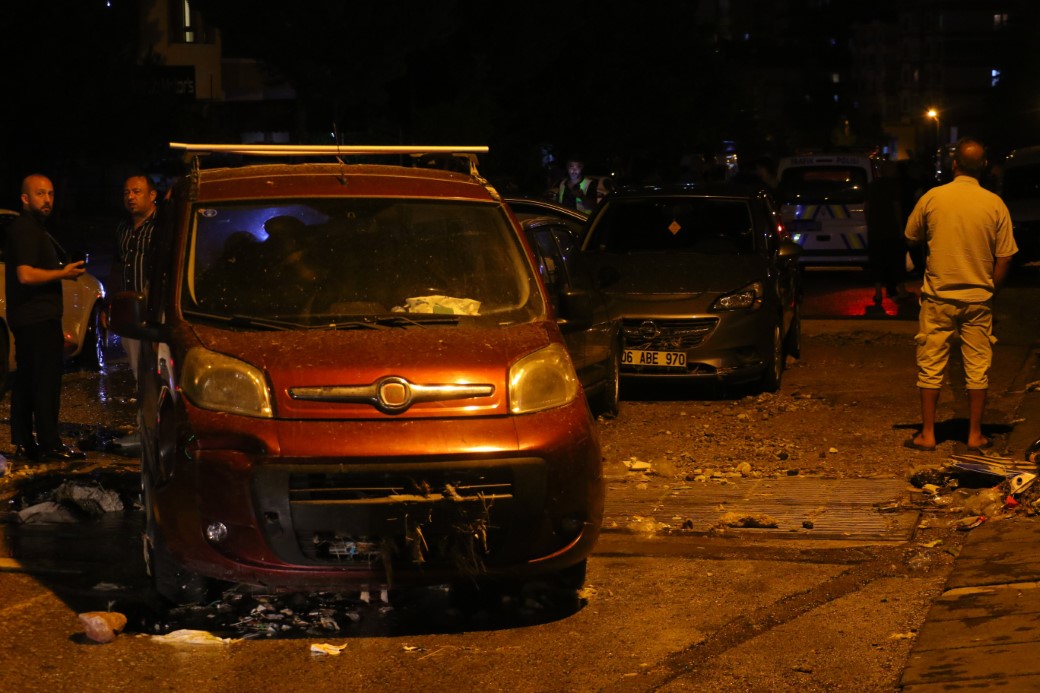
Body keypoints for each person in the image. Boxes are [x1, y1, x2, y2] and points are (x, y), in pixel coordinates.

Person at [903, 138, 1018, 453]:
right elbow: (1005, 256)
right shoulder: (994, 203)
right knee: (978, 364)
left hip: (938, 296)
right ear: (983, 166)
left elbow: (911, 234)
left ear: (953, 165)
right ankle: (975, 434)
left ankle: (927, 433)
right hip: (978, 298)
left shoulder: (933, 198)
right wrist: (990, 288)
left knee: (930, 362)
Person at [4, 174, 87, 461]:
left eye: (50, 194)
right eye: (40, 194)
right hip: (35, 318)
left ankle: (25, 441)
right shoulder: (25, 229)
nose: (47, 200)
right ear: (25, 199)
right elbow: (24, 274)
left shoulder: (34, 229)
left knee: (28, 380)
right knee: (45, 382)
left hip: (34, 317)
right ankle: (50, 444)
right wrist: (63, 273)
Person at [865, 159, 907, 304]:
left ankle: (878, 294)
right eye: (893, 169)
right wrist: (901, 229)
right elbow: (896, 209)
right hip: (891, 231)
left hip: (875, 232)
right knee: (895, 261)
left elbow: (867, 207)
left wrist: (869, 225)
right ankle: (900, 290)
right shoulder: (894, 186)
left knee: (877, 262)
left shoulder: (872, 186)